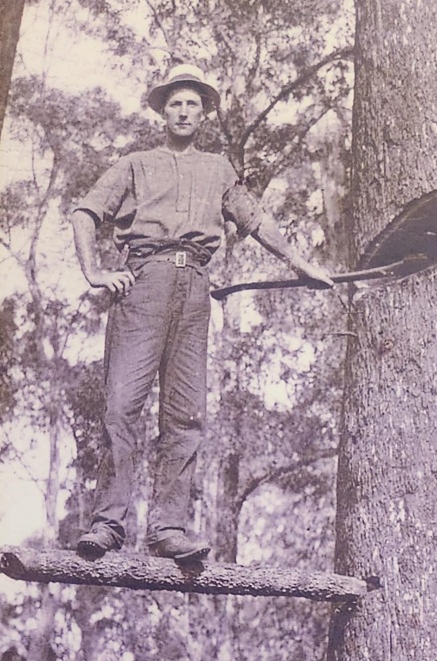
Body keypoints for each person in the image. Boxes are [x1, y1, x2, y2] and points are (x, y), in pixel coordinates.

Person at [72, 64, 334, 561]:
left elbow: (256, 219)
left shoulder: (218, 169)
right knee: (121, 407)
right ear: (162, 111)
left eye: (192, 103)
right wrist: (95, 271)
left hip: (194, 288)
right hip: (143, 284)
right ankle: (107, 524)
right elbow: (85, 213)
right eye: (175, 103)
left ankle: (169, 528)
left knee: (186, 415)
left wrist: (301, 264)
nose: (183, 111)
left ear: (204, 113)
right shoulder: (135, 164)